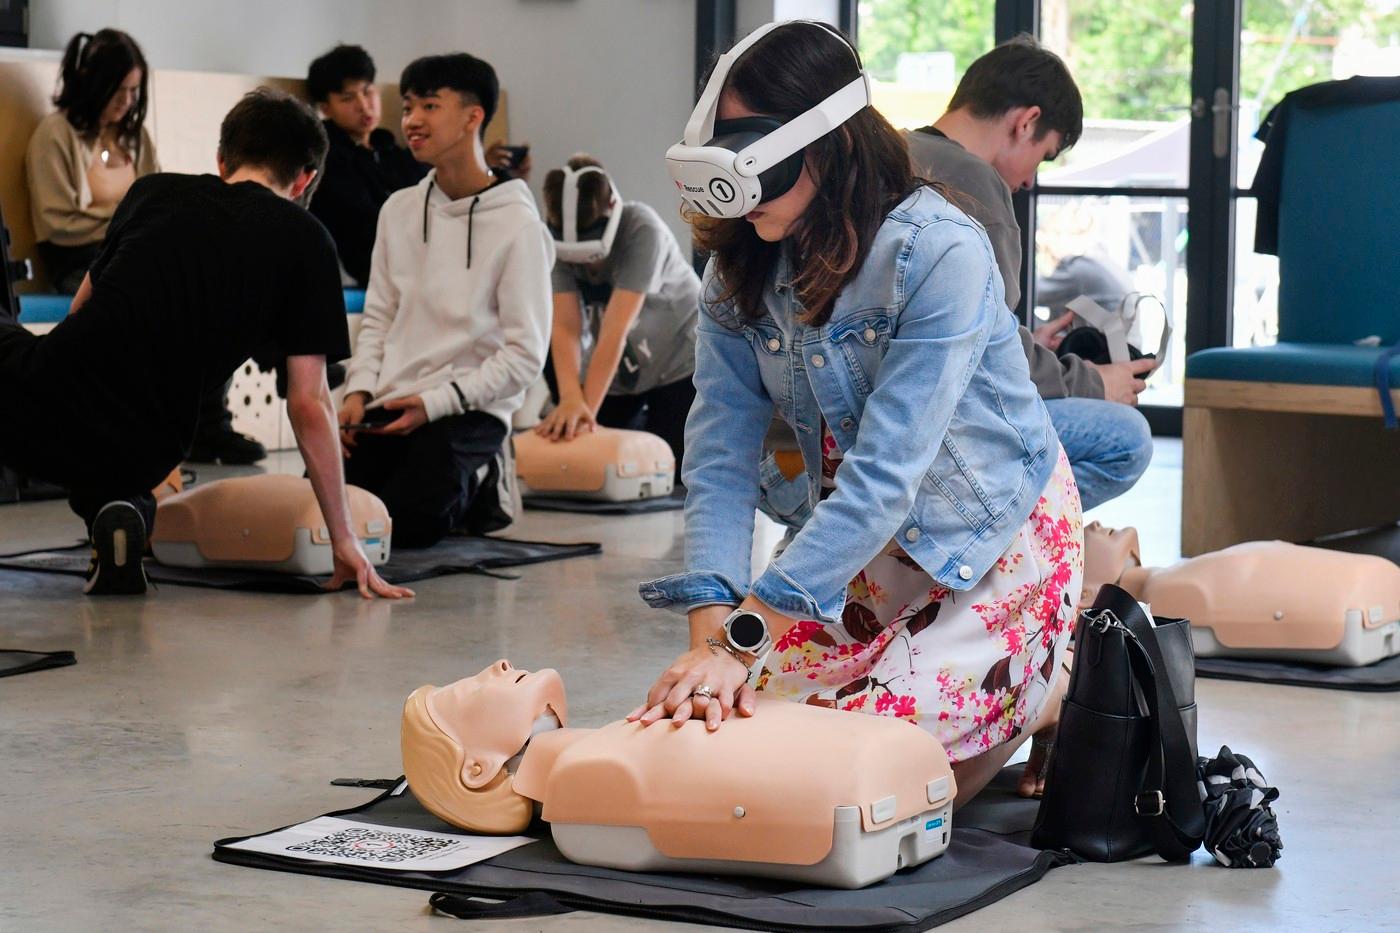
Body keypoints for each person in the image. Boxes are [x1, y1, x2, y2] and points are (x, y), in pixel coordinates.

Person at [633, 22, 1083, 806]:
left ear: (827, 145)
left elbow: (884, 477)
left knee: (876, 772)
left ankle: (1055, 683)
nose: (737, 200)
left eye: (754, 163)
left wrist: (743, 643)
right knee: (739, 733)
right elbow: (718, 459)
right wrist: (714, 643)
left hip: (990, 536)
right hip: (868, 548)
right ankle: (1009, 683)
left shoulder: (940, 251)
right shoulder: (739, 268)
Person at [0, 89, 412, 600]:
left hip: (40, 403)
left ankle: (116, 505)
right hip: (150, 446)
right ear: (306, 178)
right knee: (123, 472)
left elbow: (81, 308)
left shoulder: (154, 192)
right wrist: (345, 539)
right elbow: (309, 403)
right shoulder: (310, 242)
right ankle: (124, 510)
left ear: (221, 160)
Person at [905, 36, 1155, 511]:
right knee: (1127, 440)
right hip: (939, 429)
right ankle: (996, 562)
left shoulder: (892, 154)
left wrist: (1028, 341)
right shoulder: (974, 183)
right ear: (1026, 122)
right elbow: (989, 361)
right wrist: (1098, 382)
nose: (1029, 181)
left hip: (842, 424)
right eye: (1043, 156)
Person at [337, 53, 553, 548]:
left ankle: (486, 479)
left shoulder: (518, 226)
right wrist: (357, 394)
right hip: (394, 401)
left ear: (473, 117)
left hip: (468, 408)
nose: (411, 120)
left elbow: (524, 356)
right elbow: (379, 316)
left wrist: (436, 403)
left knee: (409, 527)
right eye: (408, 106)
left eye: (430, 106)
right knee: (331, 515)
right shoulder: (399, 210)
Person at [536, 154, 698, 477]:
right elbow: (566, 327)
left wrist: (585, 416)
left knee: (671, 469)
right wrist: (571, 403)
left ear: (611, 207)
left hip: (678, 358)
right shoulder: (551, 241)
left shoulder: (642, 228)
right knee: (601, 461)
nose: (588, 267)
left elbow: (614, 329)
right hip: (623, 367)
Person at [26, 29, 158, 295]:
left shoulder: (136, 137)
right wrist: (128, 221)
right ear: (92, 82)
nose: (127, 101)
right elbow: (58, 227)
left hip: (131, 251)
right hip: (80, 263)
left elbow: (156, 200)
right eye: (118, 90)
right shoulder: (55, 134)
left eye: (133, 91)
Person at [305, 44, 428, 288]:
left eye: (367, 91)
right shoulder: (328, 160)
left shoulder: (391, 150)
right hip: (376, 271)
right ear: (326, 108)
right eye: (347, 98)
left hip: (417, 262)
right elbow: (363, 224)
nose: (363, 105)